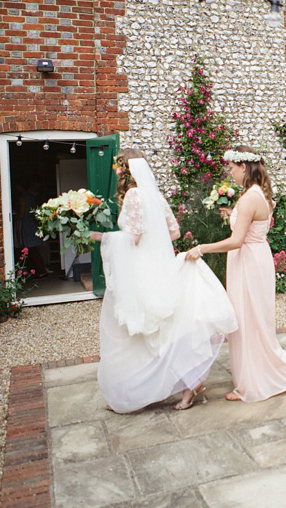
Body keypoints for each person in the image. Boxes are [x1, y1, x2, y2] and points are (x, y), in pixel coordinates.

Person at [89, 149, 237, 413]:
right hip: (162, 266)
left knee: (143, 335)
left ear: (124, 171)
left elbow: (132, 238)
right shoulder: (155, 196)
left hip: (141, 270)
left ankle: (139, 391)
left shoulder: (134, 195)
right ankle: (189, 383)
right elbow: (175, 232)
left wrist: (97, 236)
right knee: (168, 331)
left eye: (118, 169)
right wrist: (154, 246)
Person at [185, 146, 286, 402]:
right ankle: (257, 373)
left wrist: (202, 248)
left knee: (248, 320)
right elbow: (250, 227)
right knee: (253, 319)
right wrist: (232, 215)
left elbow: (237, 241)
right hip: (253, 258)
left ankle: (254, 382)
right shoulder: (257, 194)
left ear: (244, 167)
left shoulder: (249, 197)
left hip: (248, 261)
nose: (230, 173)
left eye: (232, 168)